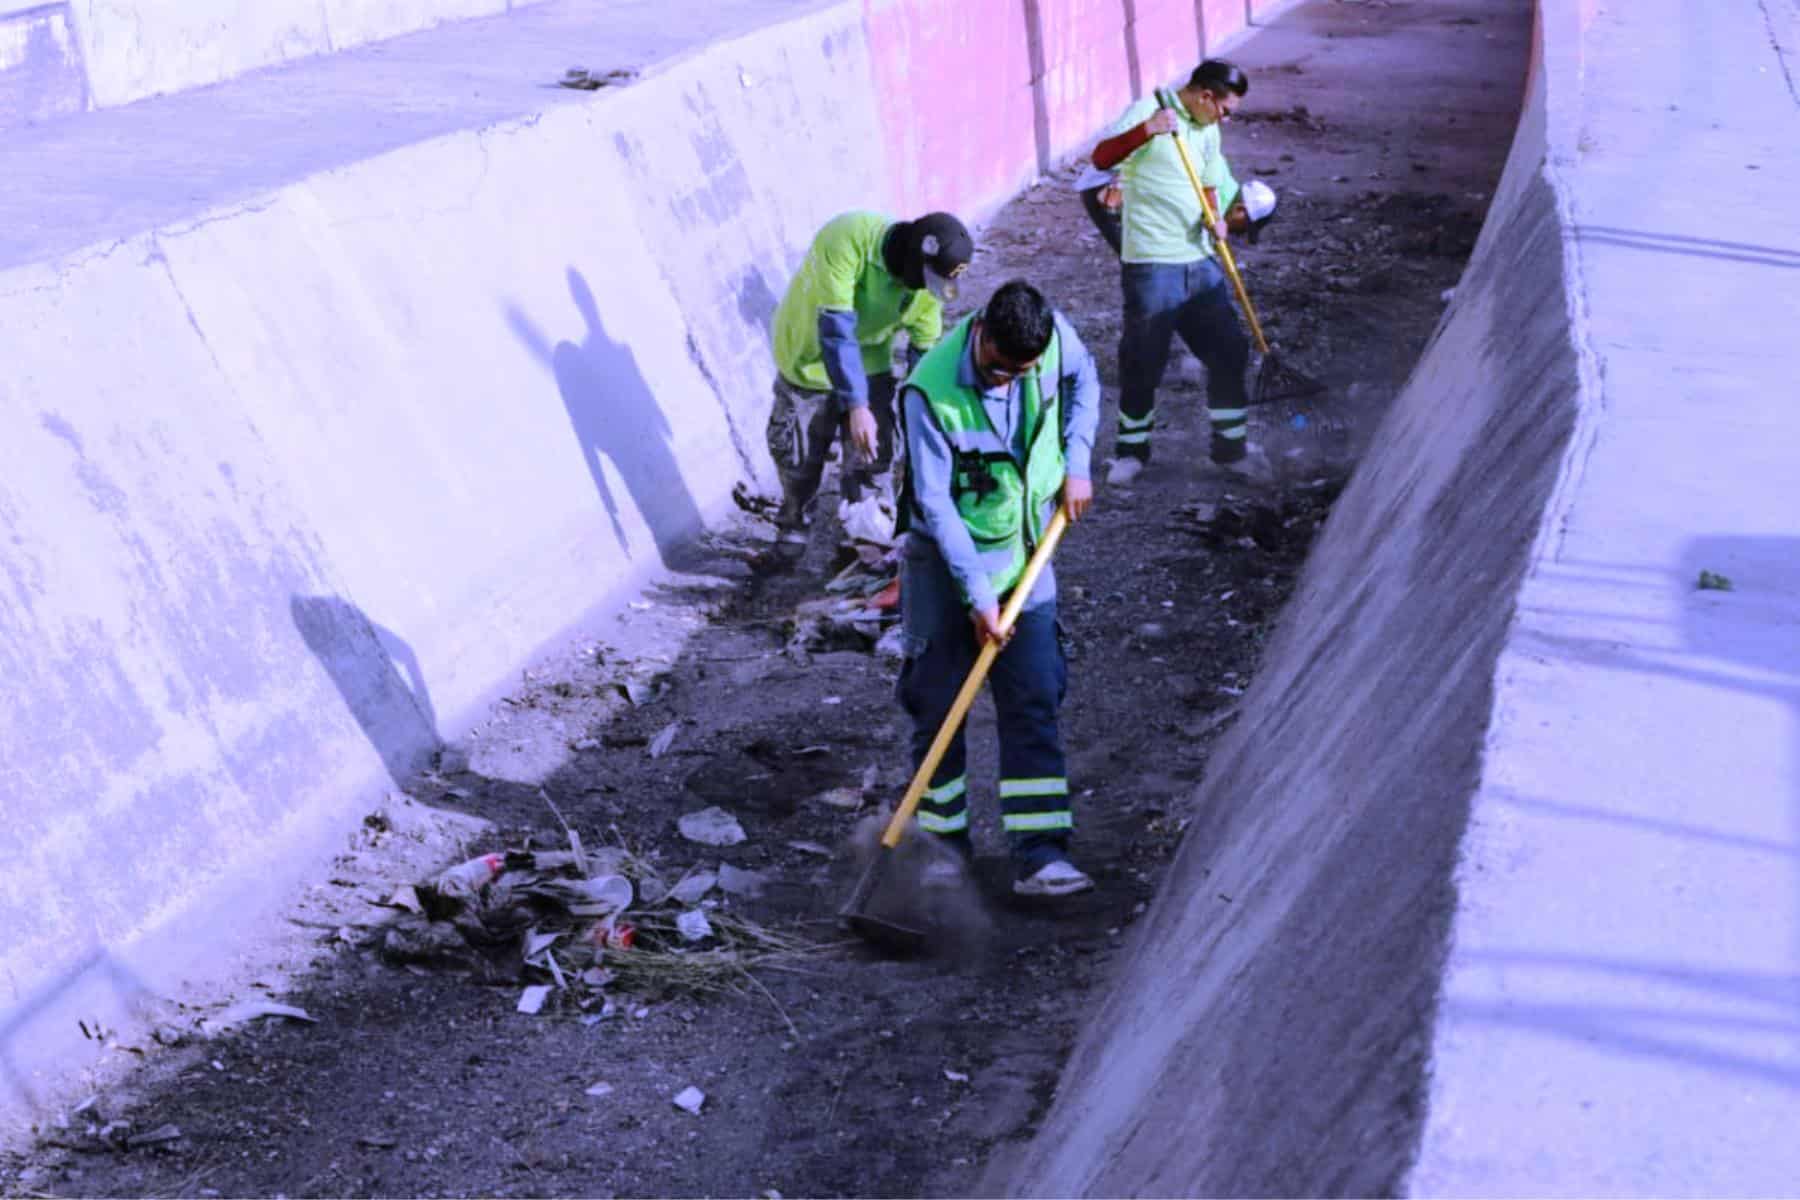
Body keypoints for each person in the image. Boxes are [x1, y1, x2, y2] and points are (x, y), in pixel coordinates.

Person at [894, 279, 1101, 897]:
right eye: (998, 368)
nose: (1008, 380)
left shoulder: (1053, 338)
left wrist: (1078, 460)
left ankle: (1041, 855)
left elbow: (1084, 383)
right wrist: (980, 600)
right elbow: (934, 504)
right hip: (945, 568)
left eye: (1022, 372)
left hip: (1026, 557)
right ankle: (942, 856)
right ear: (979, 328)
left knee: (1034, 695)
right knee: (937, 706)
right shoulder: (929, 391)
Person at [1090, 58, 1267, 485]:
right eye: (1225, 109)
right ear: (1205, 96)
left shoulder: (1208, 129)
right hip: (1152, 263)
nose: (1226, 118)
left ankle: (1230, 450)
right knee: (1143, 360)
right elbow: (1100, 158)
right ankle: (1131, 454)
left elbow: (1207, 181)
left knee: (1228, 352)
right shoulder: (1147, 109)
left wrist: (1216, 216)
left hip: (1200, 261)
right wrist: (1147, 130)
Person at [766, 211, 973, 544]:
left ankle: (865, 541)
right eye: (924, 278)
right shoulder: (848, 238)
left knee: (873, 461)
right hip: (810, 363)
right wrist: (857, 407)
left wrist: (926, 433)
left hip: (870, 366)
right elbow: (836, 330)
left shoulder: (925, 294)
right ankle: (792, 533)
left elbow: (924, 363)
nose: (924, 289)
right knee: (800, 463)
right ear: (911, 258)